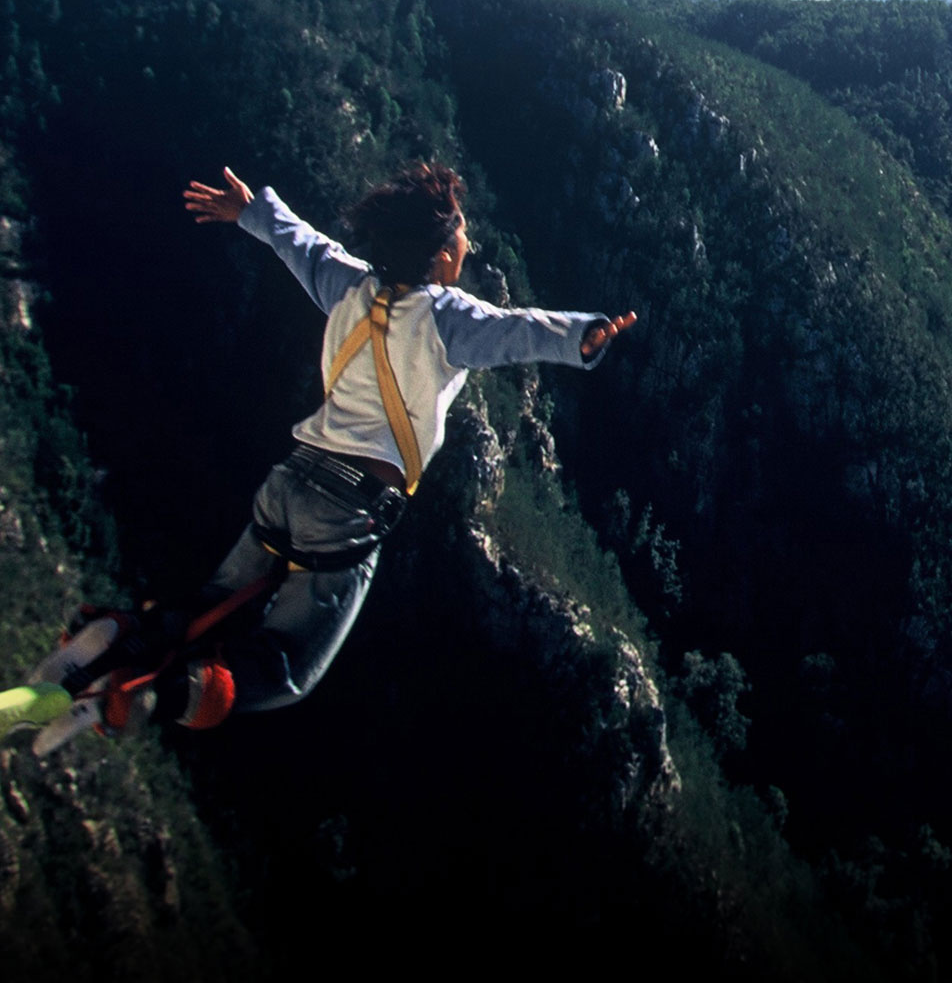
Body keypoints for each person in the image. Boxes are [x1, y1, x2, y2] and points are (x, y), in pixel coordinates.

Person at [31, 161, 636, 751]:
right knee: (287, 667)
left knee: (208, 606)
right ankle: (152, 697)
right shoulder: (448, 319)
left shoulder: (349, 283)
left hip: (288, 482)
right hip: (346, 510)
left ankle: (118, 636)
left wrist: (252, 212)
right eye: (462, 238)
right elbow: (516, 328)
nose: (467, 246)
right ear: (443, 254)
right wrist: (581, 336)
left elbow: (303, 245)